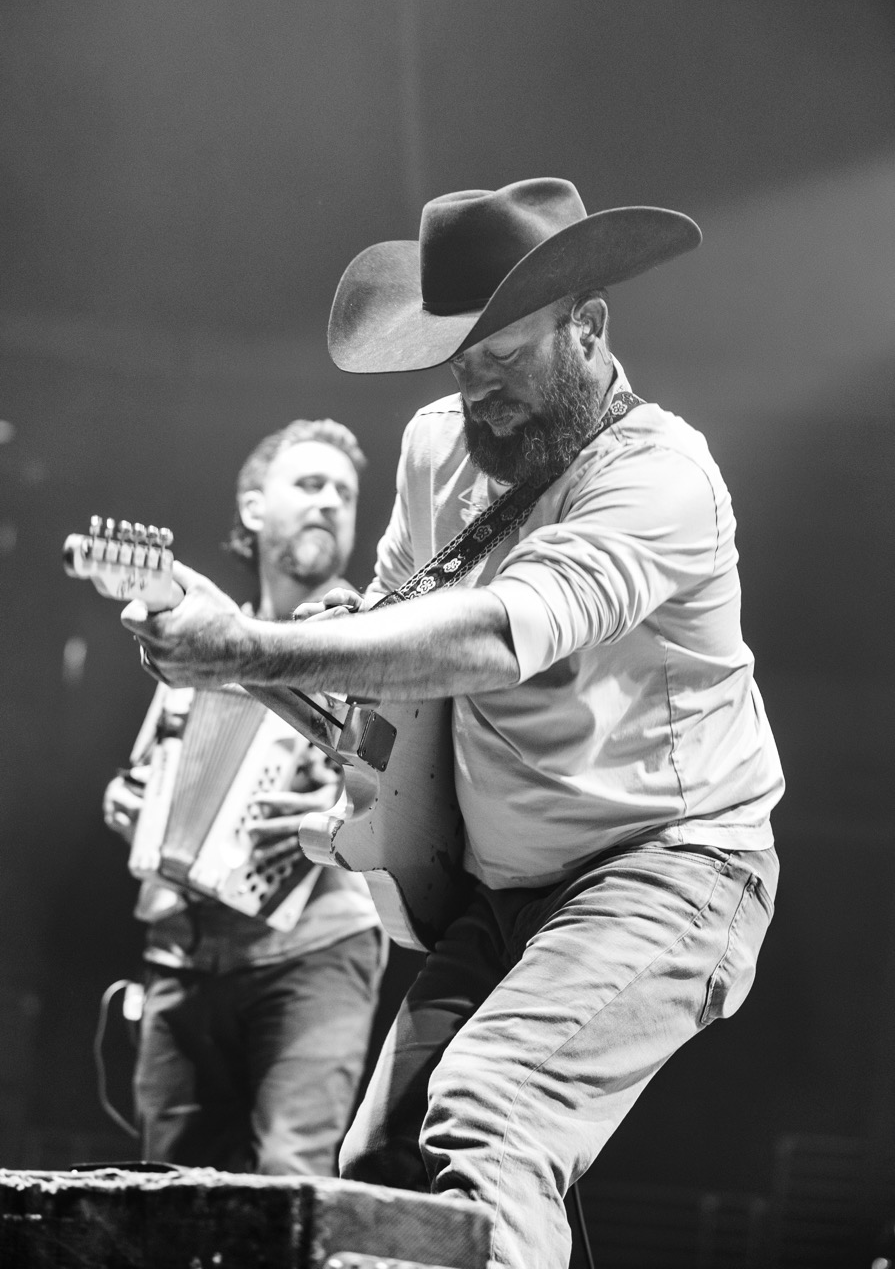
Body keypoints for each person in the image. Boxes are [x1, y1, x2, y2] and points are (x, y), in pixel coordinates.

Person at [123, 179, 785, 1269]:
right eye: (459, 366)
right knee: (381, 1160)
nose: (480, 396)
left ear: (588, 327)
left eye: (505, 358)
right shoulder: (439, 449)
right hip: (500, 885)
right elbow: (393, 648)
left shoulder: (661, 478)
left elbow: (488, 638)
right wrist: (239, 663)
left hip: (669, 867)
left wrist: (244, 649)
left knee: (488, 1109)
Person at [104, 417, 386, 1176]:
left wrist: (346, 814)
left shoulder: (374, 637)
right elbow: (151, 775)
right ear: (254, 508)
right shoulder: (196, 639)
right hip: (184, 951)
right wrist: (128, 804)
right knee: (168, 1195)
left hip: (317, 946)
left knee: (290, 1181)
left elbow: (412, 788)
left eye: (344, 493)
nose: (330, 501)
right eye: (310, 483)